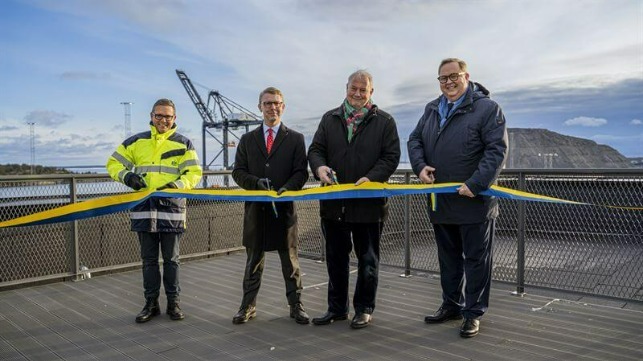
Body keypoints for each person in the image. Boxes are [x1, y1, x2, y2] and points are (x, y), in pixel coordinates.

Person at [407, 58, 508, 338]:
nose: (448, 82)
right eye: (442, 78)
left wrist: (475, 184)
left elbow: (496, 150)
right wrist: (419, 166)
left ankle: (473, 312)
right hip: (441, 201)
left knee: (476, 260)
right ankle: (451, 305)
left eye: (454, 76)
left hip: (473, 201)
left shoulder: (487, 109)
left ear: (467, 76)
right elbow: (414, 141)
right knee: (448, 259)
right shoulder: (431, 109)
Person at [308, 70, 400, 329]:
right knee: (336, 259)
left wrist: (372, 177)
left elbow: (391, 157)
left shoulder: (385, 121)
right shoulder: (329, 119)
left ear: (372, 91)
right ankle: (336, 309)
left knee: (368, 260)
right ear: (346, 88)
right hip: (334, 203)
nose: (358, 94)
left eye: (363, 90)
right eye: (354, 89)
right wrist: (319, 168)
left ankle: (364, 309)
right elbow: (315, 150)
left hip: (368, 204)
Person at [106, 98, 202, 323]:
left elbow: (194, 174)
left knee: (172, 260)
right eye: (159, 115)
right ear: (151, 116)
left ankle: (173, 303)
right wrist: (128, 177)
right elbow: (113, 163)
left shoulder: (184, 143)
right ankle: (151, 304)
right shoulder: (135, 142)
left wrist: (176, 186)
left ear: (174, 118)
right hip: (144, 209)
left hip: (172, 209)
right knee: (148, 261)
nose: (163, 120)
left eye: (168, 116)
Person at [231, 87, 310, 325]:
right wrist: (255, 183)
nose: (272, 107)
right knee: (253, 263)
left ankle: (296, 307)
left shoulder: (296, 139)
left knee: (291, 264)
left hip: (284, 211)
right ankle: (247, 306)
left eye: (276, 103)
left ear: (283, 107)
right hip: (256, 211)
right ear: (260, 107)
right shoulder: (247, 139)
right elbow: (237, 172)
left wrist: (287, 189)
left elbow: (300, 173)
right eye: (267, 103)